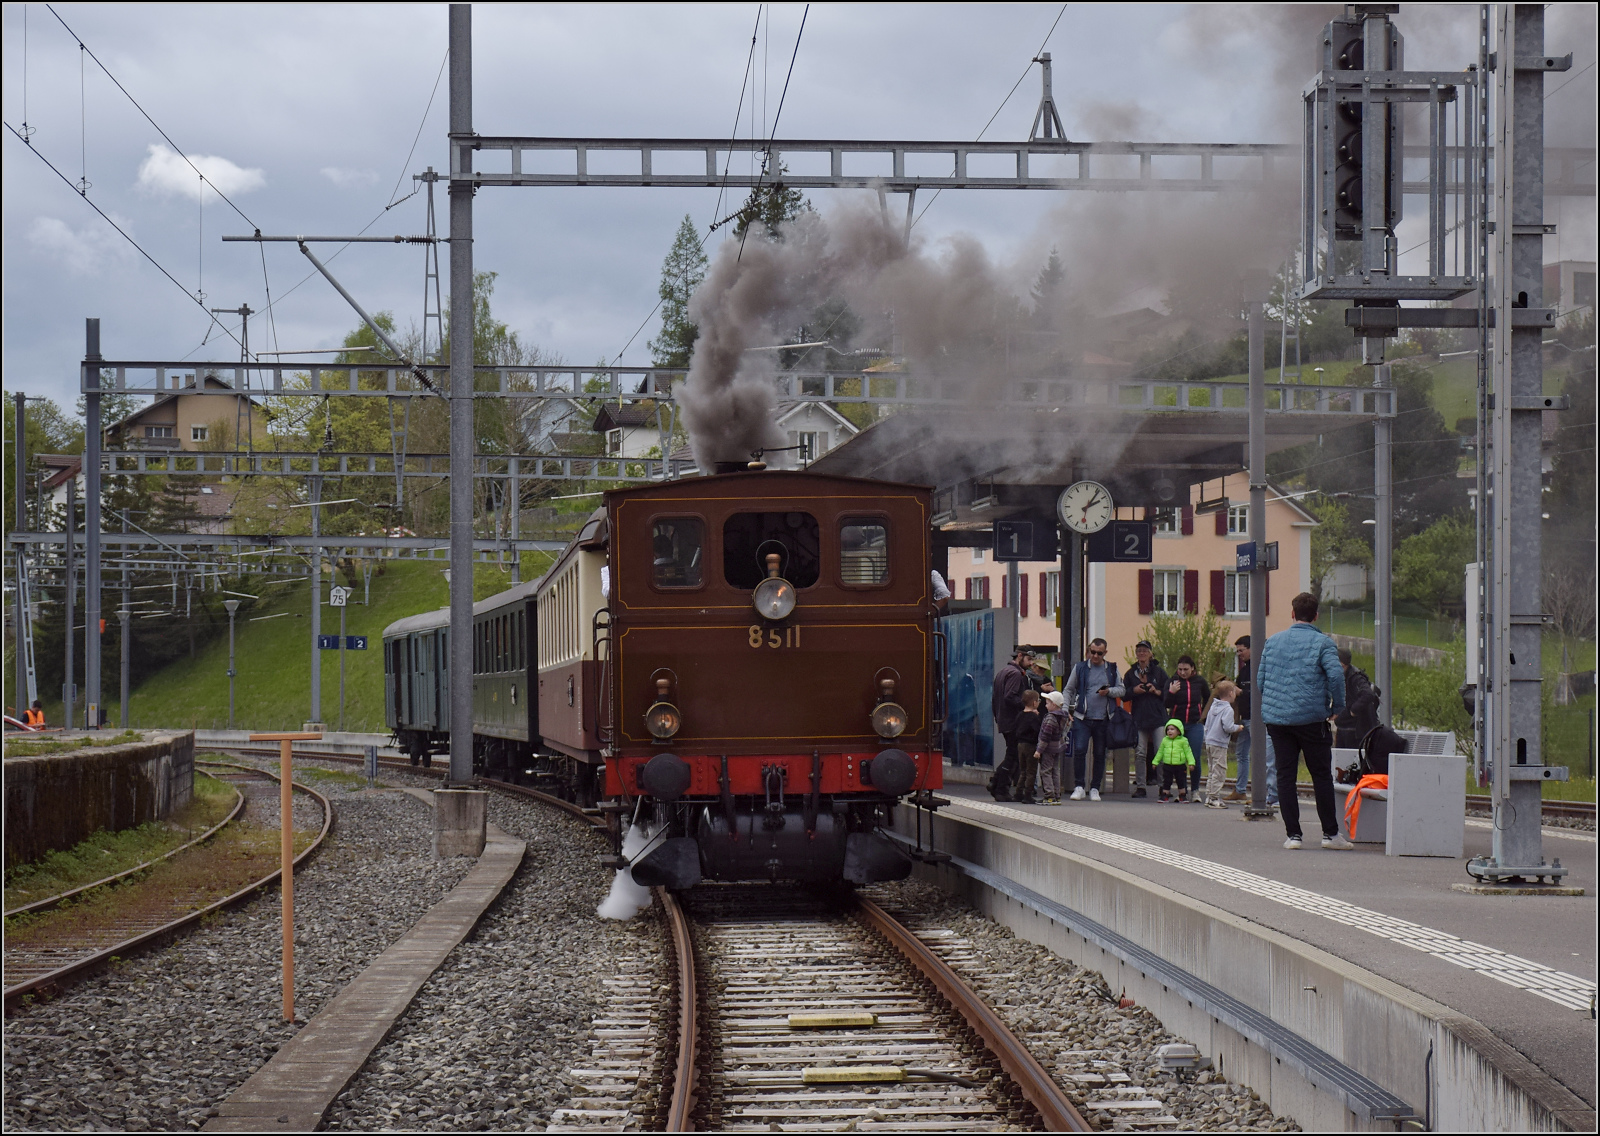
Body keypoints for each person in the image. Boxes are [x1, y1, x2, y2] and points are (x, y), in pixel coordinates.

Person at [1258, 591, 1354, 850]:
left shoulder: (1272, 642)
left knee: (1285, 775)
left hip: (1278, 721)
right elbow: (1336, 677)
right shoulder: (1323, 643)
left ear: (1292, 614)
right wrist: (1337, 706)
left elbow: (1260, 680)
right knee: (1321, 776)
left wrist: (1276, 703)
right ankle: (1330, 834)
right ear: (1316, 616)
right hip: (1312, 719)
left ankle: (1293, 835)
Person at [1064, 638, 1124, 801]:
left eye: (1099, 653)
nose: (1095, 656)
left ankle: (1095, 787)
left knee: (1099, 753)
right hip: (1082, 717)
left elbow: (1121, 690)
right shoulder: (1080, 668)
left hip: (1103, 718)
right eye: (1092, 652)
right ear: (1088, 651)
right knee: (1080, 750)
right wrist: (1065, 710)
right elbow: (1069, 689)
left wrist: (1109, 691)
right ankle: (1079, 786)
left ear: (1105, 653)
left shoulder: (1112, 669)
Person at [1225, 636, 1277, 804]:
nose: (1239, 654)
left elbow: (1261, 692)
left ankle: (1266, 793)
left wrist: (1241, 692)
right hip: (1244, 718)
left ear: (1251, 648)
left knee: (1263, 756)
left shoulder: (1261, 667)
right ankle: (1240, 790)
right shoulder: (1244, 670)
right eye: (1237, 651)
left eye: (1242, 650)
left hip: (1258, 719)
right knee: (1241, 754)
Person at [1122, 641, 1168, 799]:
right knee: (1140, 753)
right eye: (1139, 651)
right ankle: (1141, 786)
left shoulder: (1159, 672)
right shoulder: (1131, 673)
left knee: (1160, 752)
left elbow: (1168, 693)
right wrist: (1134, 690)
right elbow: (1124, 693)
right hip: (1139, 717)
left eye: (1145, 651)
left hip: (1157, 717)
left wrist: (1156, 691)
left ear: (1150, 653)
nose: (1142, 653)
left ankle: (1163, 786)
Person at [989, 647, 1034, 800]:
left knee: (1012, 754)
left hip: (1004, 719)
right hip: (1013, 721)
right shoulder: (1015, 674)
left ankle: (996, 783)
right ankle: (1001, 788)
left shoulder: (1003, 672)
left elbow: (995, 698)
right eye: (1029, 659)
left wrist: (997, 717)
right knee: (1013, 756)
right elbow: (1010, 696)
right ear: (1020, 656)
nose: (1031, 663)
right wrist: (1027, 707)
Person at [1164, 656, 1209, 799]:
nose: (1182, 673)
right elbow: (1166, 703)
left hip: (1195, 724)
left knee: (1194, 758)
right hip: (1177, 725)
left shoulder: (1200, 682)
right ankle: (1182, 791)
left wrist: (1204, 716)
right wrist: (1171, 692)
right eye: (1180, 669)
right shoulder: (1172, 681)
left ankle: (1195, 790)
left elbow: (1208, 698)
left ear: (1192, 668)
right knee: (1178, 759)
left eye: (1186, 669)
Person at [1202, 680, 1244, 807]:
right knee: (1219, 771)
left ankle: (1209, 796)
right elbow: (1227, 726)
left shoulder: (1213, 707)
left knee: (1212, 770)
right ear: (1231, 693)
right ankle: (1214, 797)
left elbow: (1207, 725)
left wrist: (1207, 738)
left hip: (1210, 742)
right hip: (1220, 743)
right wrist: (1238, 727)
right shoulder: (1228, 709)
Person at [1334, 647, 1381, 749]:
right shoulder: (1342, 677)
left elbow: (1368, 694)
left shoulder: (1355, 678)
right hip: (1343, 727)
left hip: (1353, 731)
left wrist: (1353, 710)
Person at [1036, 691, 1070, 805]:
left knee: (1046, 771)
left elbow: (1045, 736)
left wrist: (1039, 750)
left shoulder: (1050, 718)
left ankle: (1049, 795)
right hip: (1058, 747)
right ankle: (1057, 795)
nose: (1045, 705)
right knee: (1055, 770)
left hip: (1048, 748)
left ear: (1054, 704)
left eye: (1047, 703)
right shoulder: (1063, 716)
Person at [1153, 719, 1195, 802]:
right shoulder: (1165, 740)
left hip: (1180, 765)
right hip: (1167, 765)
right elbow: (1160, 752)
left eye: (1172, 729)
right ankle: (1165, 795)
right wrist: (1155, 762)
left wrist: (1191, 763)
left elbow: (1188, 752)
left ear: (1179, 731)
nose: (1169, 731)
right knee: (1166, 781)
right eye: (1168, 729)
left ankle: (1182, 795)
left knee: (1181, 781)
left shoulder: (1183, 741)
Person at [1013, 690, 1043, 804]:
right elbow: (1038, 731)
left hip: (1020, 745)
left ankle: (1018, 793)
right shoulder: (1033, 717)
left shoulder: (1020, 715)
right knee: (1031, 771)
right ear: (1034, 703)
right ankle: (1028, 794)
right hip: (1030, 745)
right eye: (1038, 700)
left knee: (1023, 771)